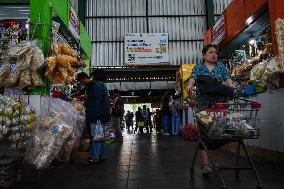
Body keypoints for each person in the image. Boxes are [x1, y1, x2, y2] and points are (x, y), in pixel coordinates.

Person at [186, 44, 233, 174]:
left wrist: (230, 85)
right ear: (204, 55)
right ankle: (205, 164)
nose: (214, 55)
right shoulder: (199, 67)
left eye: (216, 53)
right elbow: (192, 78)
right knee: (205, 133)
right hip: (203, 105)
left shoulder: (221, 67)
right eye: (211, 52)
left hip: (219, 104)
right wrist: (190, 85)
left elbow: (228, 79)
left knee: (218, 132)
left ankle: (216, 161)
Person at [77, 70, 110, 164]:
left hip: (97, 115)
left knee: (96, 137)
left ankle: (94, 157)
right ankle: (102, 155)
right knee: (101, 137)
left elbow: (97, 102)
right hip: (101, 115)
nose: (92, 77)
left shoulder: (98, 85)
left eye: (93, 75)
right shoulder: (100, 85)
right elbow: (96, 98)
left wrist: (94, 117)